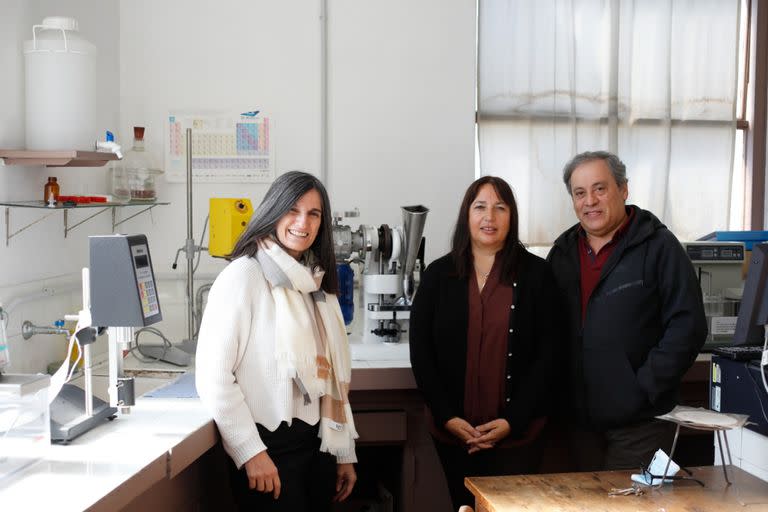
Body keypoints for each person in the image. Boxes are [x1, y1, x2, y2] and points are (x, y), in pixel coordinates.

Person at [196, 171, 358, 511]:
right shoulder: (243, 276)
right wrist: (250, 451)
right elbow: (213, 377)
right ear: (274, 212)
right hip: (269, 448)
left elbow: (331, 382)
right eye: (293, 210)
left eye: (314, 214)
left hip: (318, 443)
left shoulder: (315, 283)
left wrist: (343, 452)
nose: (303, 222)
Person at [546, 150, 707, 471]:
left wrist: (644, 387)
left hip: (641, 423)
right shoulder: (562, 252)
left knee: (631, 506)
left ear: (623, 189)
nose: (590, 200)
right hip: (578, 422)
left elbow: (688, 325)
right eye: (580, 193)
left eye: (600, 188)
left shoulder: (659, 246)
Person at [409, 176, 563, 509]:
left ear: (512, 216)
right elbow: (421, 352)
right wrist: (448, 417)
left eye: (500, 207)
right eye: (480, 207)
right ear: (467, 215)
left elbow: (549, 355)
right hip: (453, 434)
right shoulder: (439, 275)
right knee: (463, 506)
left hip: (518, 436)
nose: (489, 217)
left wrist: (513, 421)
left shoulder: (537, 275)